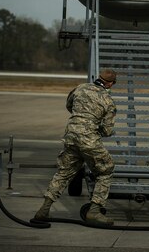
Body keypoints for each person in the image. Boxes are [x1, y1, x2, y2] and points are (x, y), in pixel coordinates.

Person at [34, 69, 117, 226]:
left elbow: (69, 105)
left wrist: (80, 119)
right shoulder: (108, 101)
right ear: (111, 84)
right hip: (89, 140)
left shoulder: (80, 88)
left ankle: (43, 210)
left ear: (98, 78)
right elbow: (106, 130)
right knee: (106, 170)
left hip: (71, 136)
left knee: (63, 173)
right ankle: (94, 211)